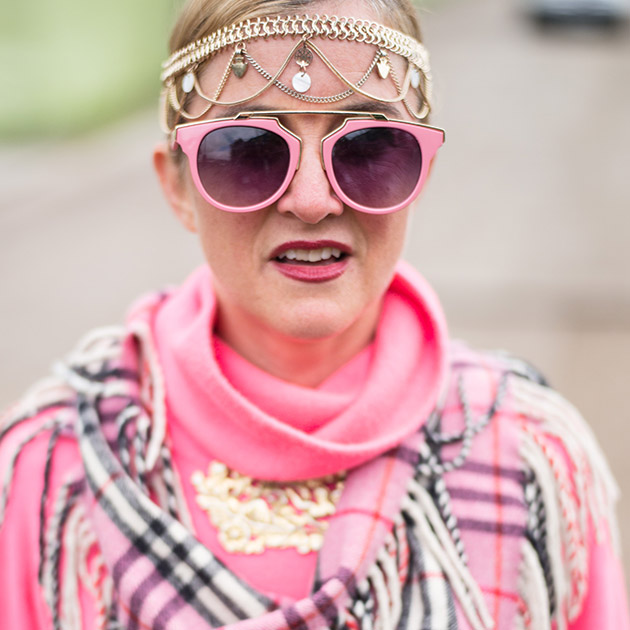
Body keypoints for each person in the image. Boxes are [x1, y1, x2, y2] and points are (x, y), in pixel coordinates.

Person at [0, 0, 628, 628]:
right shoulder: (51, 467)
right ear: (177, 188)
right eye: (248, 150)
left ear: (422, 173)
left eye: (368, 146)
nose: (311, 201)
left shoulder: (527, 457)